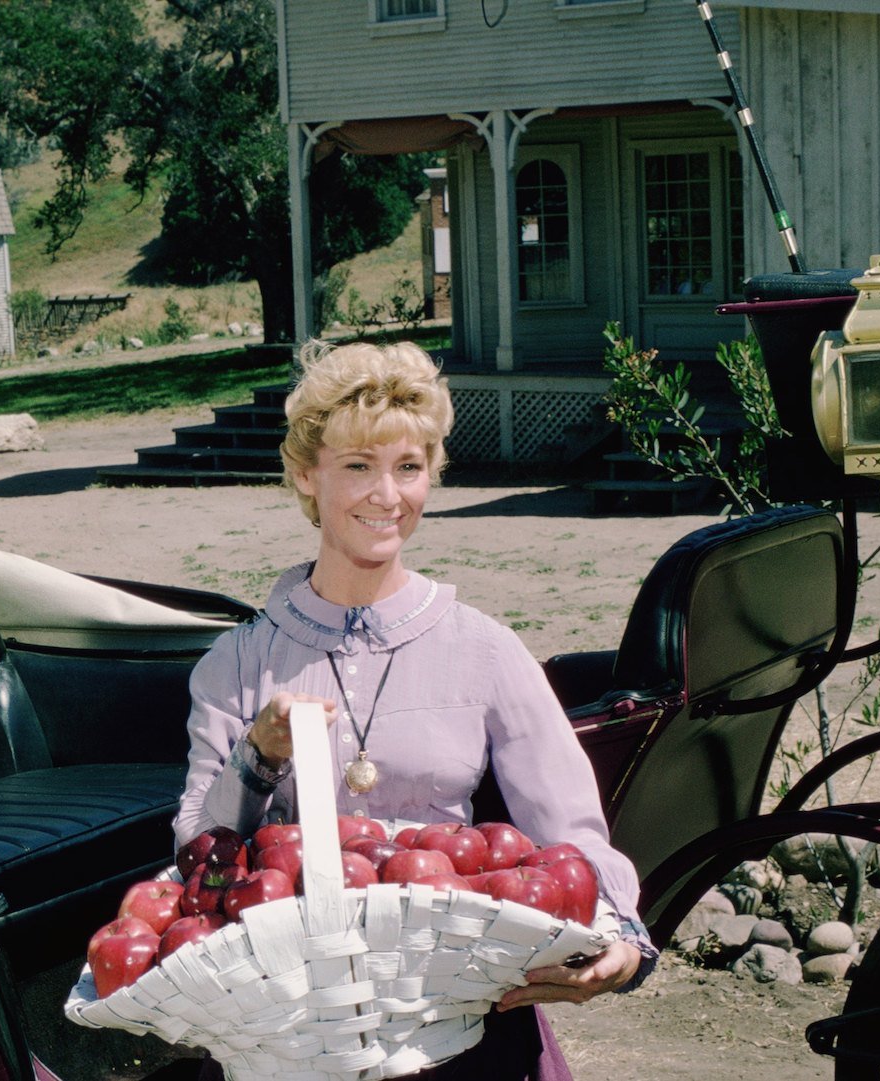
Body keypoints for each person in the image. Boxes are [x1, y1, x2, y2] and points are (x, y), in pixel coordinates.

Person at [173, 339, 656, 1079]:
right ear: (306, 473)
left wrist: (621, 942)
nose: (386, 495)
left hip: (462, 1023)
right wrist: (258, 757)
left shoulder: (486, 650)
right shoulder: (236, 663)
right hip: (295, 1031)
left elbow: (573, 833)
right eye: (358, 466)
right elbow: (194, 858)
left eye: (409, 467)